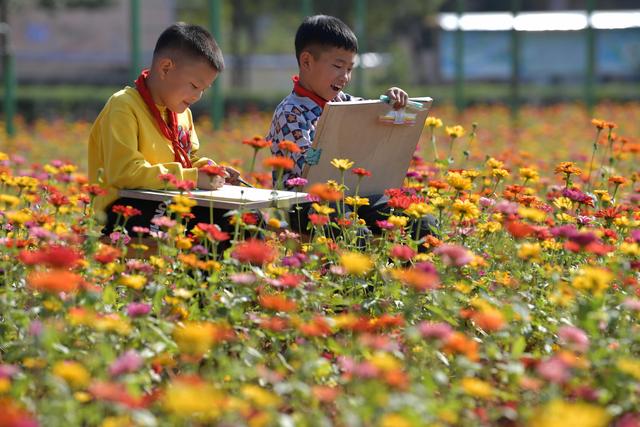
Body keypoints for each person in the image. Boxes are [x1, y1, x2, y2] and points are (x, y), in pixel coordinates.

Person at [266, 15, 436, 239]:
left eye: (350, 68)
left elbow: (374, 115)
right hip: (305, 203)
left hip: (356, 196)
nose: (345, 77)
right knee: (353, 232)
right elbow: (307, 173)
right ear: (306, 62)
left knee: (422, 222)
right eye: (338, 66)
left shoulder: (344, 102)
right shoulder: (290, 113)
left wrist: (389, 102)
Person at [88, 22, 240, 237]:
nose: (198, 96)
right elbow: (125, 174)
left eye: (204, 89)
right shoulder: (123, 106)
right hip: (126, 207)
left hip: (171, 199)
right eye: (194, 86)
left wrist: (208, 170)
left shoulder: (182, 112)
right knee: (195, 227)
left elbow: (187, 160)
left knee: (242, 218)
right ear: (165, 68)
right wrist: (193, 177)